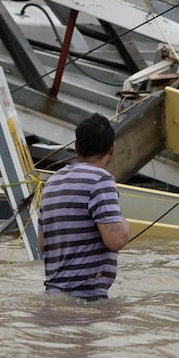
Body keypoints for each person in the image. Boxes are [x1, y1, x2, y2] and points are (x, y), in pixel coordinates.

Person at [38, 112, 132, 300]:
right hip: (86, 301)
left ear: (76, 146)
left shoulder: (52, 182)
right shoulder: (101, 180)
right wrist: (125, 224)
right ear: (112, 148)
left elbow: (42, 245)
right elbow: (115, 240)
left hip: (53, 296)